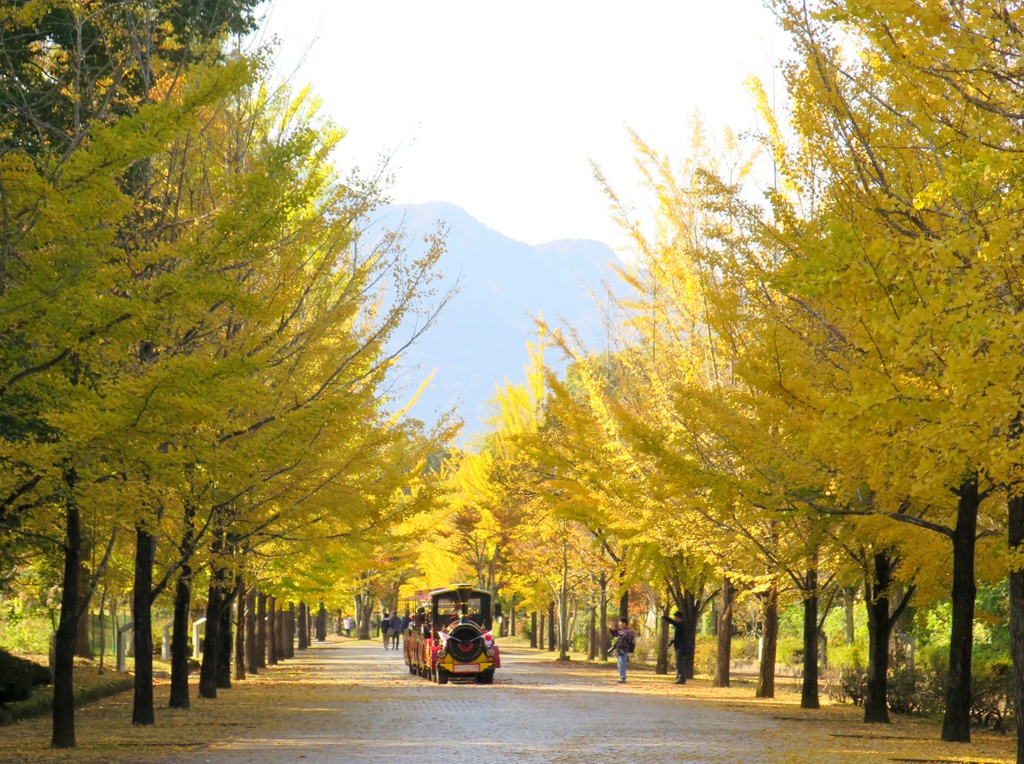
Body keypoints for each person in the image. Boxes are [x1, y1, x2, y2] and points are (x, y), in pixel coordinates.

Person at [662, 610, 694, 684]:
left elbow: (672, 622)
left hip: (680, 647)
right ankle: (681, 678)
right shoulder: (680, 626)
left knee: (678, 664)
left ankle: (681, 679)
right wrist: (670, 644)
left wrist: (664, 616)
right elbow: (676, 638)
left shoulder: (681, 625)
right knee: (680, 663)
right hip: (679, 646)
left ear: (678, 618)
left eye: (675, 617)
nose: (674, 618)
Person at [609, 618, 635, 684]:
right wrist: (612, 630)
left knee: (622, 664)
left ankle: (623, 678)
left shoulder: (627, 631)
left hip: (623, 649)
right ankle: (622, 677)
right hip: (619, 649)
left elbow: (620, 636)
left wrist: (614, 630)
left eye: (620, 622)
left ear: (624, 623)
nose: (619, 624)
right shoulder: (621, 630)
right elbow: (616, 635)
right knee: (619, 664)